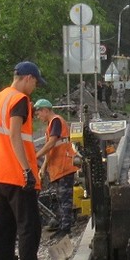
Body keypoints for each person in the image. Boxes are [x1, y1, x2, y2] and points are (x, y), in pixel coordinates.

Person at [0, 61, 45, 260]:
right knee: (29, 227)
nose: (35, 87)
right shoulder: (19, 100)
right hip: (16, 174)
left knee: (2, 228)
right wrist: (26, 170)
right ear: (27, 78)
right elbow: (14, 134)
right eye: (35, 82)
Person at [34, 98, 80, 234]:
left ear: (45, 110)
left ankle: (66, 228)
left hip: (64, 166)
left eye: (39, 113)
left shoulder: (55, 121)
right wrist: (43, 168)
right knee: (60, 199)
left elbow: (51, 143)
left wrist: (35, 156)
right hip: (58, 168)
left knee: (65, 199)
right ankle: (62, 226)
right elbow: (51, 149)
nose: (38, 116)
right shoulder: (51, 125)